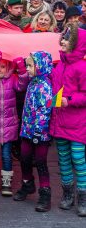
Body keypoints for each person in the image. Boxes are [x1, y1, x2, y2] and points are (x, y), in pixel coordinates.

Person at [50, 23, 86, 216]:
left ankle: (83, 196)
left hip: (78, 123)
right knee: (62, 158)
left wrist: (69, 100)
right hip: (60, 120)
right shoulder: (60, 64)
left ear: (76, 44)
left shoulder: (82, 67)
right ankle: (67, 194)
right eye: (62, 38)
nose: (62, 41)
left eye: (67, 39)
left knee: (78, 159)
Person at [13, 51, 53, 212]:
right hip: (27, 130)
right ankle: (27, 183)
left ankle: (45, 193)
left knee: (41, 162)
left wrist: (38, 130)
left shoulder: (44, 86)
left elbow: (45, 109)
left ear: (40, 66)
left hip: (39, 133)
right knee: (24, 157)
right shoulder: (32, 82)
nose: (27, 69)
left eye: (30, 66)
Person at [0, 51, 28, 196]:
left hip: (9, 125)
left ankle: (6, 180)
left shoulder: (13, 80)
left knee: (6, 155)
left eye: (2, 67)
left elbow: (22, 85)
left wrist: (22, 68)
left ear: (9, 67)